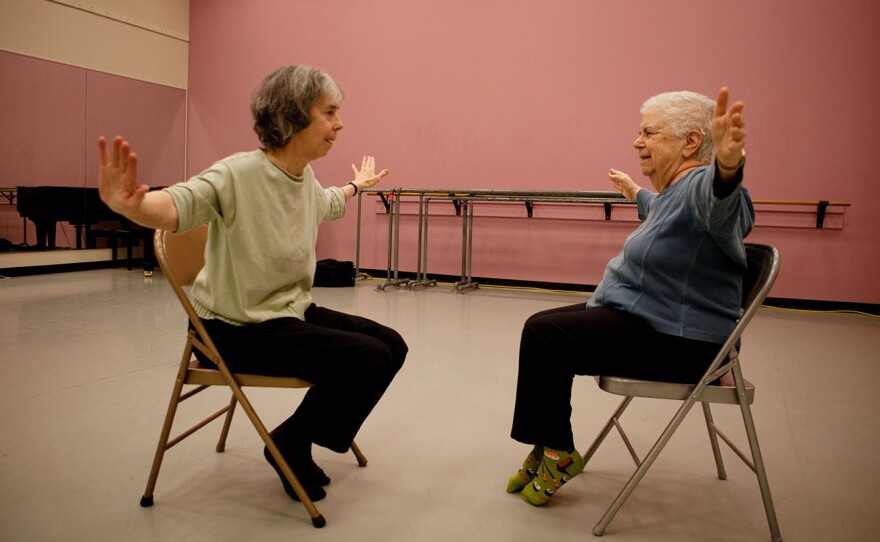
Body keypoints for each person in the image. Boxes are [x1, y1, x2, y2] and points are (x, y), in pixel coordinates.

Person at [98, 65, 407, 503]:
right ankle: (288, 442)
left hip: (286, 312)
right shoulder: (238, 174)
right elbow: (177, 206)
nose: (340, 124)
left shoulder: (304, 177)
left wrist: (357, 186)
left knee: (391, 345)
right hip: (235, 329)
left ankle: (298, 437)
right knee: (367, 358)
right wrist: (133, 205)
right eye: (330, 112)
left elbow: (326, 204)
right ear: (295, 115)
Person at [506, 87, 753, 506]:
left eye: (649, 133)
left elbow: (721, 207)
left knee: (544, 335)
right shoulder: (675, 193)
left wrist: (728, 169)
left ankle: (557, 451)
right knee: (543, 332)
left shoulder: (702, 186)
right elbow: (662, 209)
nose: (637, 141)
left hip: (682, 341)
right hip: (654, 321)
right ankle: (546, 445)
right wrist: (634, 191)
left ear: (691, 142)